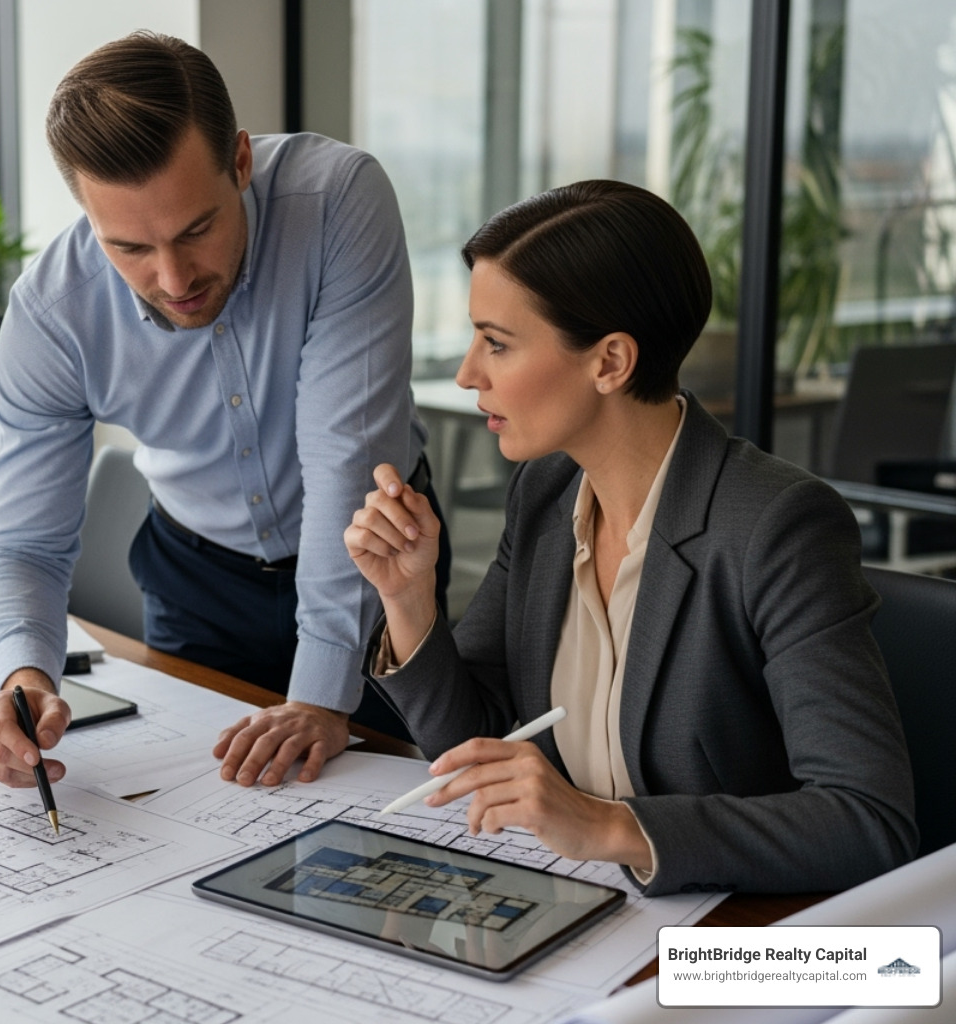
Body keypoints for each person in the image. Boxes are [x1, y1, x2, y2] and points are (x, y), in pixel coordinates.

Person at [345, 180, 917, 895]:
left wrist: (609, 826)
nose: (466, 374)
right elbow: (475, 747)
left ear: (611, 362)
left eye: (496, 343)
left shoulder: (778, 525)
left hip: (726, 931)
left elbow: (869, 822)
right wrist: (409, 598)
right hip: (576, 894)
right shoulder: (546, 491)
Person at [0, 32, 450, 792]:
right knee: (204, 811)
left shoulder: (337, 200)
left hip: (375, 560)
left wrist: (320, 697)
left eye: (196, 229)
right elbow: (25, 543)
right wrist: (21, 676)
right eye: (130, 248)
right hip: (198, 583)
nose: (174, 279)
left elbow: (346, 462)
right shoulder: (52, 313)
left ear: (240, 160)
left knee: (399, 804)